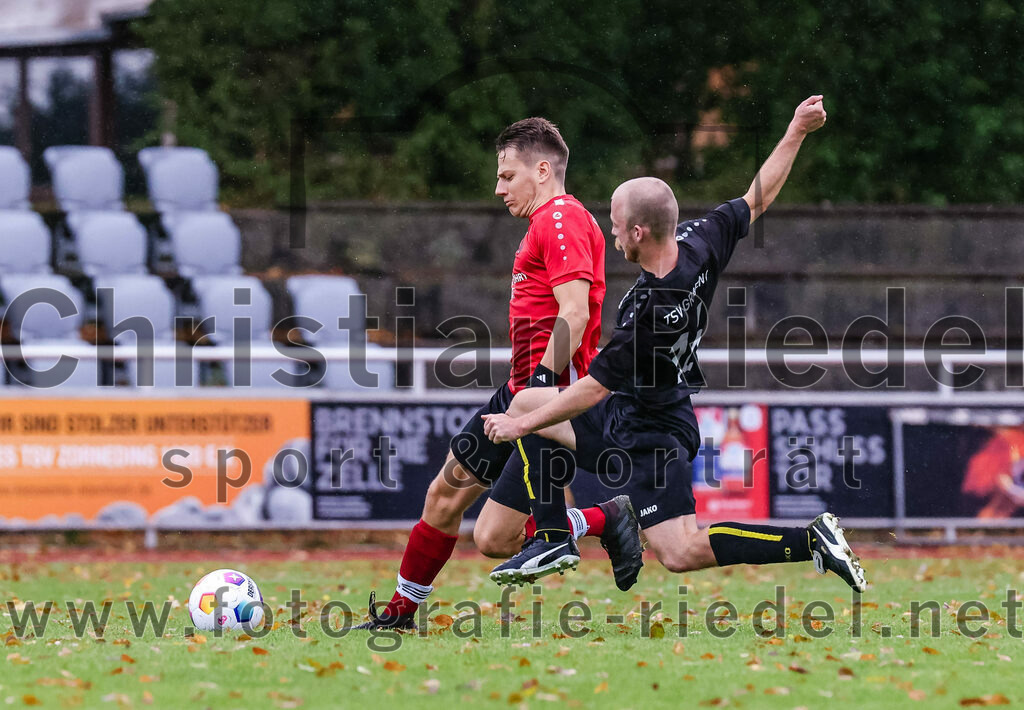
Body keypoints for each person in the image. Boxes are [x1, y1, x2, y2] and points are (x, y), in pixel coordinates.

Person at [481, 96, 867, 593]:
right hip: (658, 413)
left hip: (644, 432)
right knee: (680, 550)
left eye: (616, 226)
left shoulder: (648, 317)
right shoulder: (699, 243)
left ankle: (555, 538)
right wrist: (796, 130)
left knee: (531, 412)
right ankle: (809, 540)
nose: (612, 235)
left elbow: (592, 389)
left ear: (638, 231)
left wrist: (520, 427)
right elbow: (757, 198)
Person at [358, 118, 644, 630]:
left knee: (494, 535)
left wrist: (538, 392)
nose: (499, 188)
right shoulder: (546, 223)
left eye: (508, 176)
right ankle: (399, 616)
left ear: (542, 170)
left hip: (550, 399)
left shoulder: (561, 219)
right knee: (454, 506)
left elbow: (575, 312)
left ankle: (596, 521)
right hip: (518, 393)